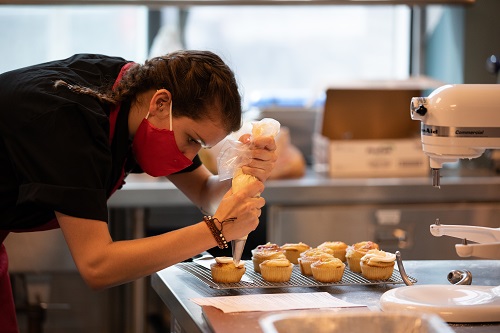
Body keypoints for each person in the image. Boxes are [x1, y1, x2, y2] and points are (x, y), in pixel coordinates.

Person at [0, 51, 277, 331]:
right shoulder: (71, 121)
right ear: (161, 102)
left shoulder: (133, 96)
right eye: (192, 139)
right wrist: (215, 230)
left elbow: (205, 191)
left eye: (201, 146)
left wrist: (242, 175)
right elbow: (97, 266)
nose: (189, 155)